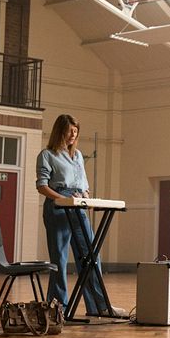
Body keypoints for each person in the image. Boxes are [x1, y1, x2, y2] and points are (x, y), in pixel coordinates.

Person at [35, 114, 126, 318]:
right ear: (60, 131)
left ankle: (99, 306)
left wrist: (86, 197)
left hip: (78, 205)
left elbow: (83, 184)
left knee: (91, 257)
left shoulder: (77, 156)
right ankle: (58, 309)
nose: (73, 136)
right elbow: (42, 186)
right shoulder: (47, 155)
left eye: (76, 132)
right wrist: (63, 199)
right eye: (70, 131)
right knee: (59, 259)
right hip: (58, 207)